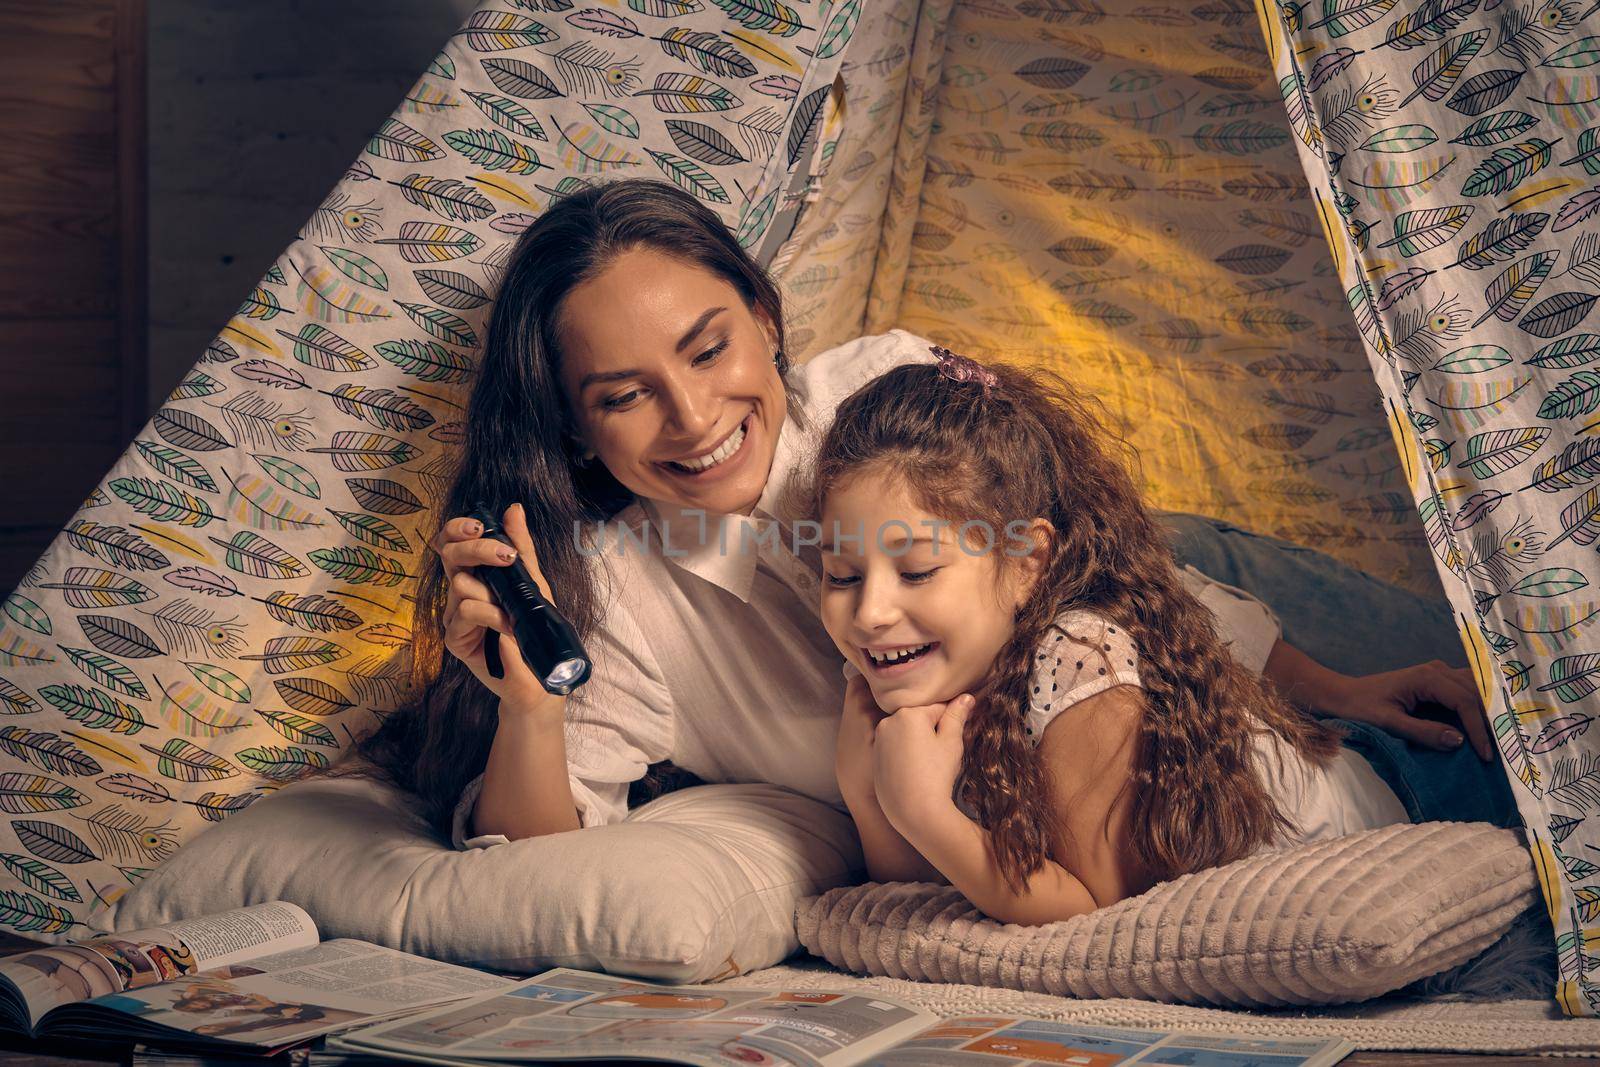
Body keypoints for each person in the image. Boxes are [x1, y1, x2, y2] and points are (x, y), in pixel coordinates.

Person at [349, 177, 1492, 852]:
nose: (694, 417)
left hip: (1211, 621)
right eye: (623, 395)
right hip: (1122, 808)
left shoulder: (876, 382)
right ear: (571, 423)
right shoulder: (616, 600)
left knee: (1506, 722)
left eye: (709, 349)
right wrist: (526, 706)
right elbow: (537, 857)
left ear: (762, 312)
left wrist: (1337, 689)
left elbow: (1127, 577)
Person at [806, 350, 1520, 924]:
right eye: (842, 576)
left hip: (1425, 790)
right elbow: (901, 904)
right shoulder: (897, 669)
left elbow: (1091, 913)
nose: (870, 612)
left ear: (1027, 564)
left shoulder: (1075, 659)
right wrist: (867, 791)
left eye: (918, 570)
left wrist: (926, 812)